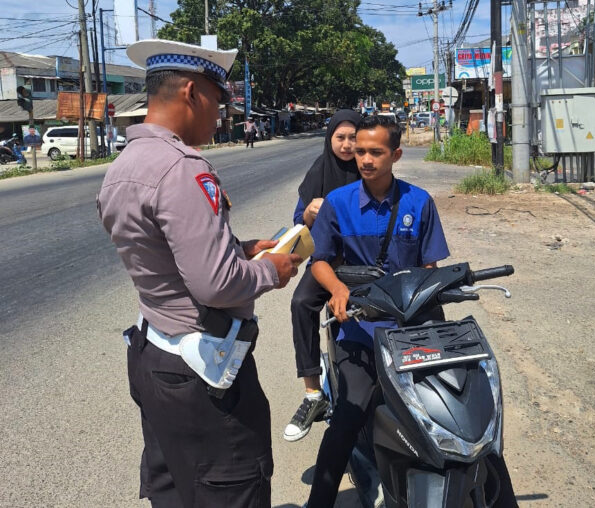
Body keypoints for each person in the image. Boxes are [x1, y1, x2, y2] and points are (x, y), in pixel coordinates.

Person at [96, 39, 301, 508]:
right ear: (191, 92)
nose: (223, 113)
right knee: (231, 489)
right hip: (203, 372)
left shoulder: (121, 168)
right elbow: (217, 285)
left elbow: (161, 255)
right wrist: (271, 270)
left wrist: (240, 248)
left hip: (155, 357)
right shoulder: (183, 168)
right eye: (220, 98)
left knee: (175, 487)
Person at [305, 115, 451, 507]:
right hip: (360, 329)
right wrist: (336, 288)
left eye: (376, 152)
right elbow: (318, 260)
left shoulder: (419, 202)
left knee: (449, 406)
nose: (365, 159)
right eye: (360, 151)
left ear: (396, 154)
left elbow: (430, 267)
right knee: (347, 422)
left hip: (411, 328)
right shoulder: (338, 203)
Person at [283, 109, 362, 442]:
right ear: (329, 139)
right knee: (301, 303)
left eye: (353, 137)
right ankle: (314, 392)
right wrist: (309, 213)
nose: (346, 145)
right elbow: (298, 219)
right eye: (340, 138)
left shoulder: (369, 165)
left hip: (365, 260)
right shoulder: (319, 170)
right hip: (325, 262)